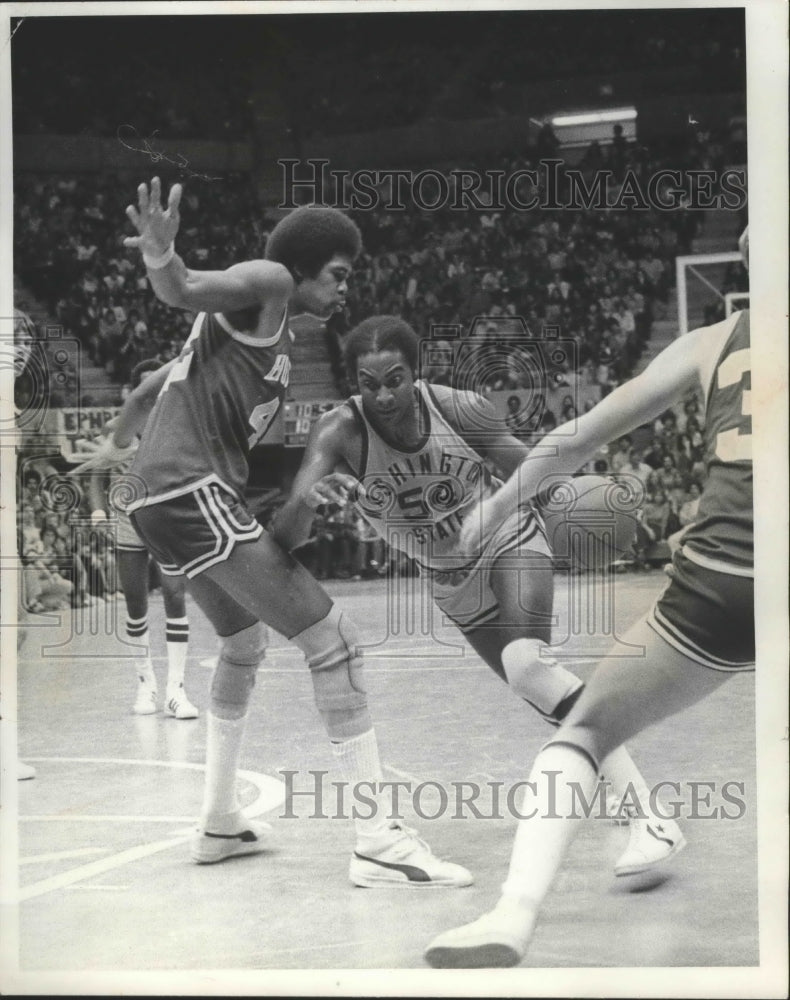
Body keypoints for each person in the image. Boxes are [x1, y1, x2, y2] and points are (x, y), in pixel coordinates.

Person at [77, 177, 469, 887]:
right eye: (341, 274)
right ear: (309, 267)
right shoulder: (272, 281)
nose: (346, 289)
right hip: (187, 489)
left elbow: (145, 389)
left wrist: (118, 446)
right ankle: (378, 839)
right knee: (335, 642)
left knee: (242, 642)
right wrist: (164, 258)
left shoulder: (276, 340)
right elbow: (188, 287)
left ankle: (219, 820)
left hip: (160, 496)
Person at [425, 228, 752, 967]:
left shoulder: (715, 339)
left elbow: (574, 438)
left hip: (727, 578)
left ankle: (514, 914)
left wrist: (484, 513)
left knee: (581, 735)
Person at [272, 314, 684, 879]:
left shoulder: (459, 408)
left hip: (507, 539)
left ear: (416, 374)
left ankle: (650, 817)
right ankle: (617, 782)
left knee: (529, 665)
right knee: (539, 691)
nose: (384, 394)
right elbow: (285, 537)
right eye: (370, 384)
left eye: (395, 379)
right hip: (448, 579)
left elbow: (534, 470)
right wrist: (310, 501)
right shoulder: (337, 432)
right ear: (353, 384)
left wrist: (581, 506)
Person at [87, 359, 198, 719]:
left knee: (174, 594)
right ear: (136, 391)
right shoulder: (116, 429)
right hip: (126, 522)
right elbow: (95, 477)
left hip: (165, 521)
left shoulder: (176, 426)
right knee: (136, 606)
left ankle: (176, 690)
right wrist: (98, 511)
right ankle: (145, 684)